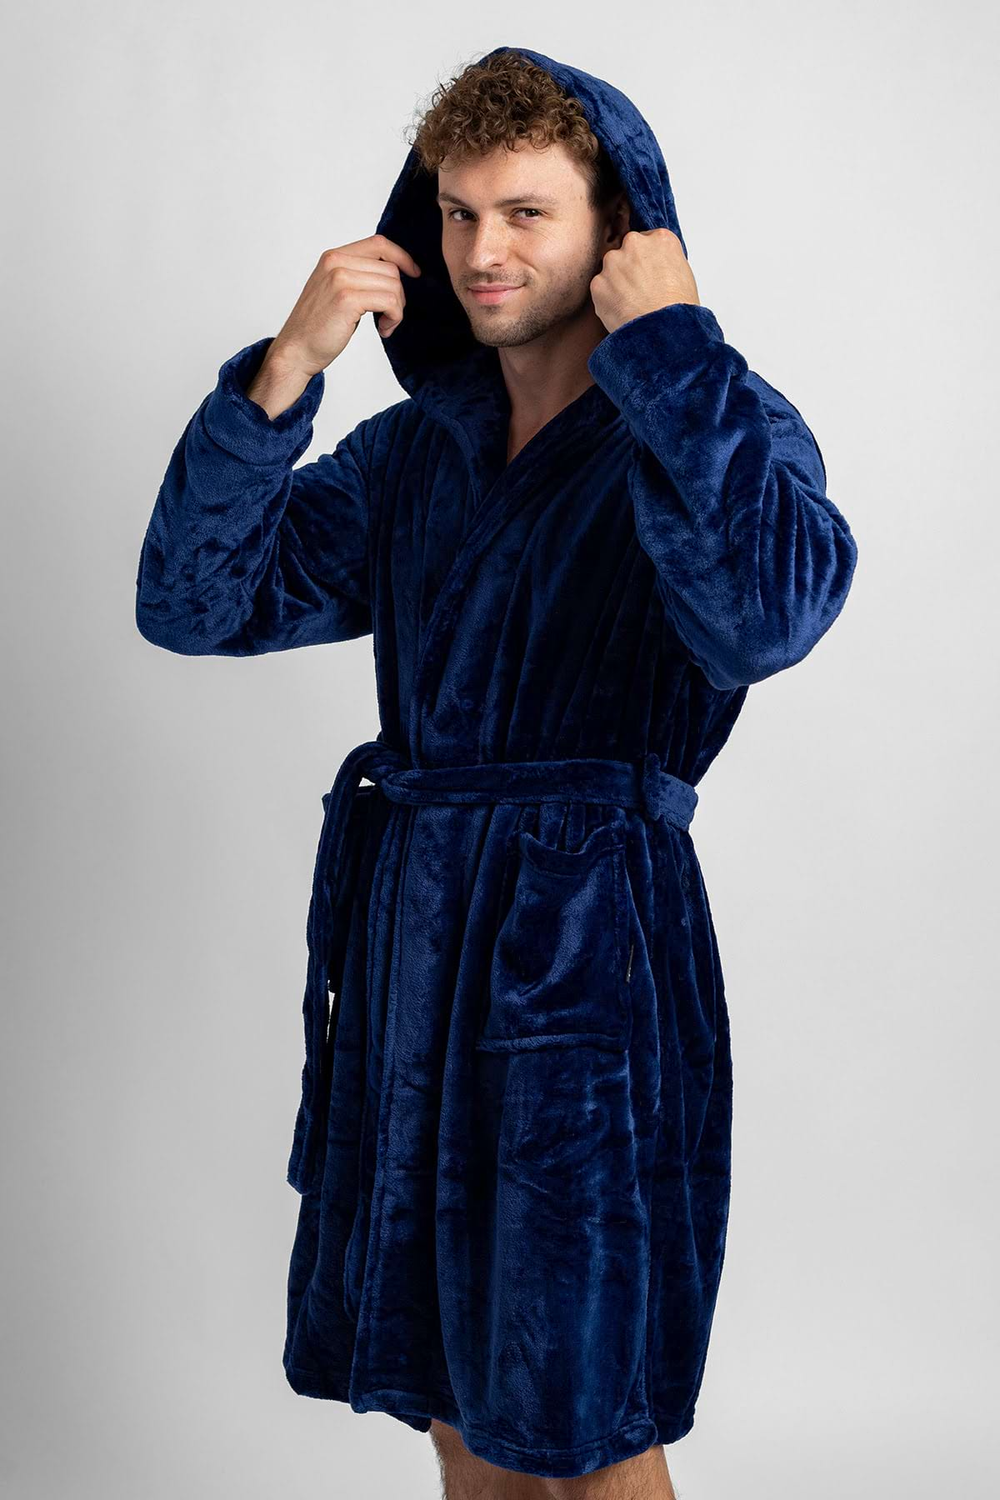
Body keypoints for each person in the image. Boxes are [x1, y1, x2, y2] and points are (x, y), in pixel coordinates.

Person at [135, 44, 858, 1498]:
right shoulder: (417, 451)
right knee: (450, 1393)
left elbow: (766, 618)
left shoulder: (705, 417)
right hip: (413, 951)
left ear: (618, 228)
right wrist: (285, 374)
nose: (481, 252)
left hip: (586, 963)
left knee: (588, 1408)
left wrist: (678, 354)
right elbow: (196, 601)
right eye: (459, 213)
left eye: (526, 213)